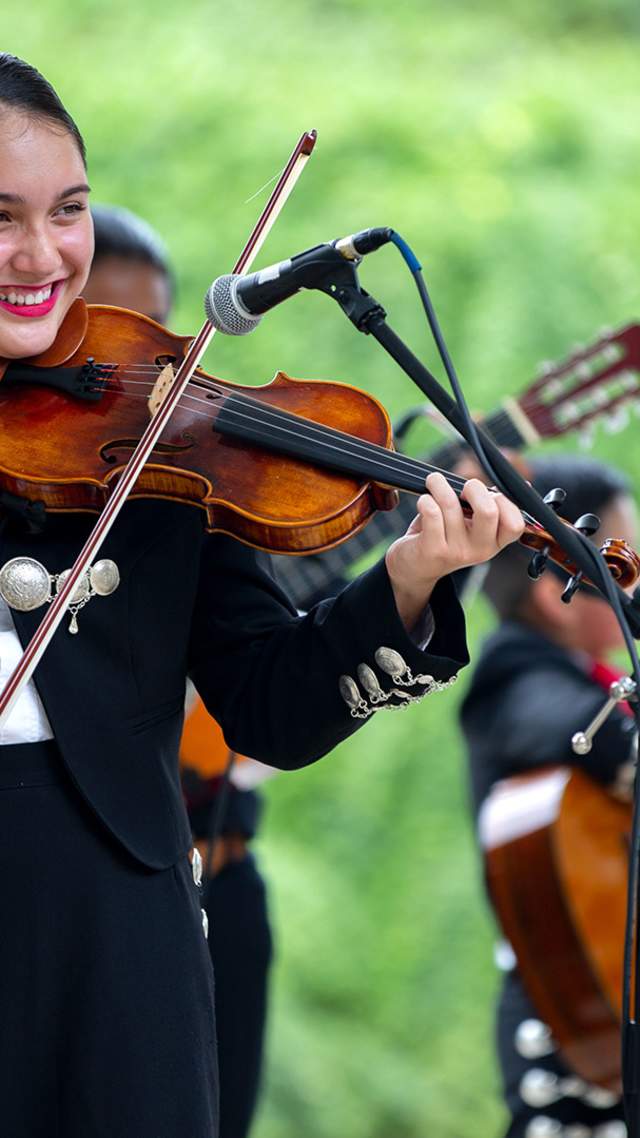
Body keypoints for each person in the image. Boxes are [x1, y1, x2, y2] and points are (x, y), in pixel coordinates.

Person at [0, 52, 523, 1138]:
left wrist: (412, 576)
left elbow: (269, 705)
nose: (41, 255)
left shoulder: (148, 444)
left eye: (68, 211)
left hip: (115, 938)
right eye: (0, 218)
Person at [84, 201, 274, 1138]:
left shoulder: (182, 496)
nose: (146, 389)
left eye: (162, 350)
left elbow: (269, 685)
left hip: (193, 876)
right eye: (106, 356)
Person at [460, 454, 636, 1138]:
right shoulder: (513, 670)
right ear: (553, 594)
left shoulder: (591, 676)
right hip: (575, 1035)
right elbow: (557, 723)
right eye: (621, 565)